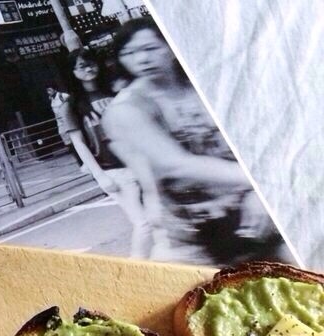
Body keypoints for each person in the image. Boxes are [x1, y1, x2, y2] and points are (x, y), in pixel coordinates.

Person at [103, 17, 290, 264]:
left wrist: (259, 193)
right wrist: (263, 182)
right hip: (191, 240)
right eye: (129, 53)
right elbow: (176, 165)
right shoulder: (128, 108)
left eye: (150, 48)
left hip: (252, 215)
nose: (142, 59)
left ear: (171, 46)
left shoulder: (206, 85)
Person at [62, 47, 159, 247]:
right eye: (82, 66)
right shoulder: (72, 105)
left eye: (91, 63)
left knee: (159, 219)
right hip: (112, 171)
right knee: (143, 224)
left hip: (138, 162)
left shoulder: (114, 92)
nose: (88, 69)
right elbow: (79, 142)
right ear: (73, 72)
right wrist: (100, 176)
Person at [45, 85, 83, 168]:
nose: (49, 92)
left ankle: (82, 160)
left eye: (50, 90)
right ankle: (80, 161)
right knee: (69, 143)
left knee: (76, 141)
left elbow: (73, 105)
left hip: (68, 121)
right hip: (60, 124)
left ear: (55, 89)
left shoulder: (63, 96)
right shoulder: (51, 100)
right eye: (47, 91)